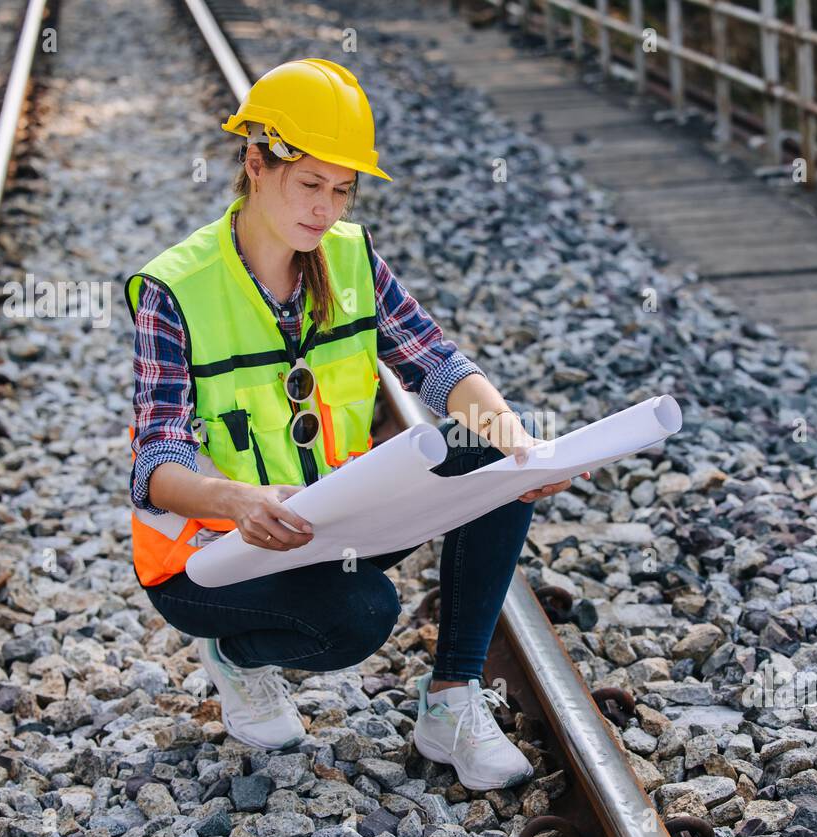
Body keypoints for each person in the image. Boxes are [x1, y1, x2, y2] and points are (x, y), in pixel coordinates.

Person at [124, 58, 587, 792]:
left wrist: (523, 452)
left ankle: (452, 704)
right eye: (310, 184)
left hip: (330, 526)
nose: (326, 210)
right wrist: (241, 502)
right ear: (256, 163)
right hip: (213, 558)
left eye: (341, 190)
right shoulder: (175, 289)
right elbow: (158, 462)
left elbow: (436, 363)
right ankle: (237, 656)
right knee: (362, 614)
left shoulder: (350, 257)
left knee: (495, 445)